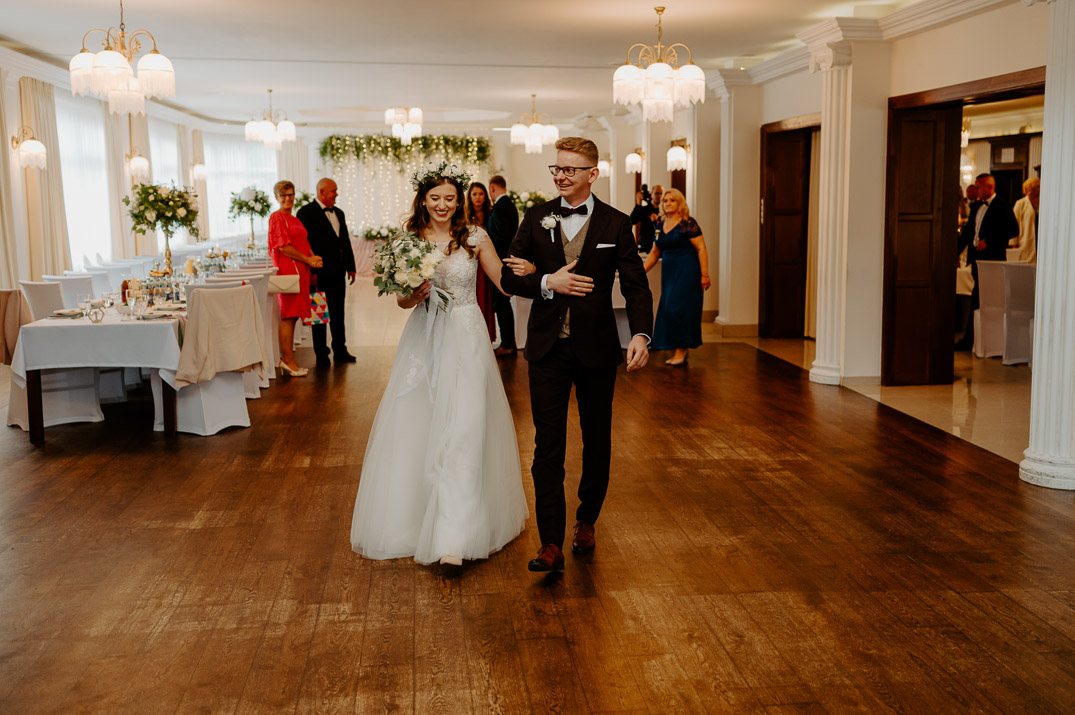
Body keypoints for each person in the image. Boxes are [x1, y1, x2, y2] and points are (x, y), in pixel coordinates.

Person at [350, 162, 530, 568]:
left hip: (466, 334)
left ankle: (455, 535)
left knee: (465, 426)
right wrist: (414, 295)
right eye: (435, 198)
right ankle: (418, 521)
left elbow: (503, 283)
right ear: (423, 200)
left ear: (460, 199)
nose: (443, 205)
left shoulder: (475, 236)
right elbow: (402, 300)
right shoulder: (409, 240)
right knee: (420, 422)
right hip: (425, 337)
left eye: (450, 198)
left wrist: (535, 272)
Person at [499, 137, 653, 572]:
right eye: (557, 168)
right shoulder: (536, 217)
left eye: (570, 169)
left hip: (597, 348)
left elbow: (636, 285)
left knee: (596, 439)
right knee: (547, 443)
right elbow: (510, 278)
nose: (561, 176)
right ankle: (550, 542)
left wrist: (640, 334)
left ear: (592, 174)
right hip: (546, 348)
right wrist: (547, 281)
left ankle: (586, 520)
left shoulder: (615, 224)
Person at [642, 189, 710, 366]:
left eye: (672, 200)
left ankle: (681, 349)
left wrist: (705, 274)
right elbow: (654, 252)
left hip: (687, 272)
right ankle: (677, 347)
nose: (668, 203)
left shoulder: (688, 223)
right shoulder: (660, 225)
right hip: (669, 273)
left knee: (680, 309)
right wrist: (640, 272)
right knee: (669, 308)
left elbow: (701, 248)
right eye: (665, 201)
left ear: (680, 203)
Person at [955, 173, 1019, 351]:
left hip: (992, 262)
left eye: (978, 186)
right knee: (976, 298)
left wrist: (989, 241)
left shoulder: (1002, 205)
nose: (975, 190)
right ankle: (973, 340)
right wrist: (955, 253)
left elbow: (1014, 230)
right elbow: (969, 232)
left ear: (989, 187)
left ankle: (976, 340)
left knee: (982, 300)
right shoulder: (976, 205)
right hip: (976, 261)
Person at [296, 178, 357, 366]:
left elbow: (345, 241)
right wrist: (310, 271)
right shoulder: (305, 213)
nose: (336, 194)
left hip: (338, 273)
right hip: (318, 274)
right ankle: (321, 354)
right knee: (319, 315)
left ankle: (340, 350)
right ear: (322, 192)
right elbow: (303, 244)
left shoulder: (339, 212)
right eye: (334, 191)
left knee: (339, 313)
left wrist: (351, 266)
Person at [267, 180, 323, 377]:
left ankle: (289, 360)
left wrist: (313, 258)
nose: (287, 198)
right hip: (288, 271)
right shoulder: (277, 218)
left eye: (290, 194)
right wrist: (307, 259)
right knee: (288, 316)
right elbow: (283, 247)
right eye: (283, 195)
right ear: (276, 197)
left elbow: (303, 243)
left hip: (301, 271)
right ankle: (287, 360)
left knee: (294, 316)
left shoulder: (294, 219)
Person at [487, 175, 520, 357]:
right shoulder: (506, 205)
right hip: (501, 260)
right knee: (501, 302)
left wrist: (488, 250)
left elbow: (504, 236)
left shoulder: (502, 206)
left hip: (500, 261)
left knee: (501, 302)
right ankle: (507, 342)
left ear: (492, 188)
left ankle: (508, 344)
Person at [467, 181, 496, 341]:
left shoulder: (491, 213)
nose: (478, 197)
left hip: (488, 260)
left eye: (481, 194)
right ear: (469, 197)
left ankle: (487, 336)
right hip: (471, 260)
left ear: (485, 195)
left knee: (487, 296)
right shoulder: (465, 215)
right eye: (474, 194)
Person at [1011, 177, 1039, 264]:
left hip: (1040, 241)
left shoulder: (1044, 202)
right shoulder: (1020, 204)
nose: (1040, 189)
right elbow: (1014, 225)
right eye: (1038, 187)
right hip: (1025, 242)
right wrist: (1014, 245)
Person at [629, 183, 664, 253]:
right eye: (656, 193)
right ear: (651, 194)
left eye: (661, 194)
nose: (659, 196)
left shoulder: (665, 211)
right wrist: (638, 204)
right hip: (646, 246)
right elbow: (632, 221)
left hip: (661, 246)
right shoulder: (644, 210)